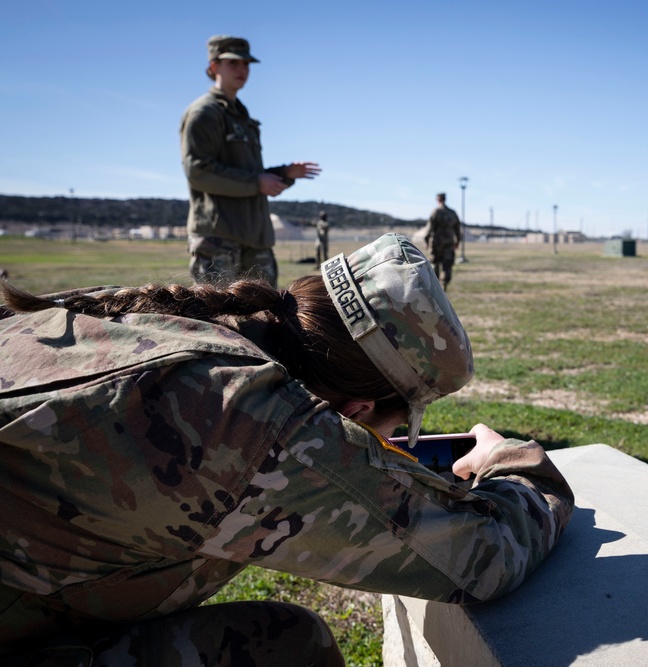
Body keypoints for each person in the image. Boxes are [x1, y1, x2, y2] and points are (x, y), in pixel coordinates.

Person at [0, 234, 574, 664]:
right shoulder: (246, 419)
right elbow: (486, 554)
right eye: (398, 425)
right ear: (358, 410)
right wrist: (510, 466)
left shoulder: (159, 320)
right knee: (288, 649)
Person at [180, 35, 321, 288]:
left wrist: (284, 173)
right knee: (217, 320)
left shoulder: (242, 118)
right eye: (233, 63)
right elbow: (198, 172)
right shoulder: (205, 113)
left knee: (266, 320)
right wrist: (256, 182)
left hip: (255, 239)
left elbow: (251, 174)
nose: (242, 70)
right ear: (214, 67)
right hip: (219, 238)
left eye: (246, 64)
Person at [424, 192, 463, 290]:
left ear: (438, 199)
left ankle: (435, 288)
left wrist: (426, 240)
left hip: (437, 243)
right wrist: (457, 241)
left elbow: (429, 228)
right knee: (447, 265)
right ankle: (444, 284)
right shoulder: (452, 213)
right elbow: (457, 228)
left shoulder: (436, 212)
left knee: (434, 264)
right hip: (449, 242)